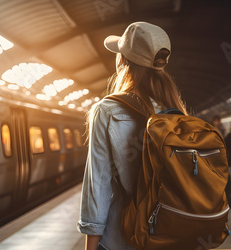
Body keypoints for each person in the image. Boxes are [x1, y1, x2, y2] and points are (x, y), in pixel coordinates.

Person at [77, 22, 188, 250]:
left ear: (124, 61)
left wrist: (90, 245)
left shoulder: (106, 110)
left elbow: (97, 184)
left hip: (123, 237)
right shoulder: (175, 110)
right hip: (172, 235)